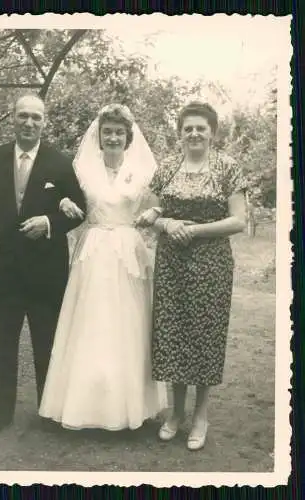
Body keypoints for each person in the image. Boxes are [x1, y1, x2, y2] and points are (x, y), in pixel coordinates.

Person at [39, 104, 167, 430]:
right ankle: (85, 404)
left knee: (127, 324)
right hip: (93, 251)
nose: (112, 137)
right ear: (99, 136)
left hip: (127, 250)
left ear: (128, 137)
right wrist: (60, 201)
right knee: (91, 323)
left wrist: (154, 213)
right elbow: (57, 191)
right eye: (107, 131)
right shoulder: (83, 169)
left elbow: (161, 202)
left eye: (118, 132)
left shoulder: (143, 172)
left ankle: (128, 406)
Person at [136, 101, 247, 450]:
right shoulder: (167, 167)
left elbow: (238, 220)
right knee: (173, 336)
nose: (194, 133)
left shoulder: (228, 167)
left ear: (212, 132)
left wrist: (195, 231)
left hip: (211, 264)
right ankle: (176, 413)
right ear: (180, 133)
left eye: (201, 127)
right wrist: (167, 222)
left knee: (204, 337)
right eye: (188, 128)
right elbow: (149, 212)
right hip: (172, 263)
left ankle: (201, 414)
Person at [0, 94, 86, 436]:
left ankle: (48, 410)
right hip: (6, 267)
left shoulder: (60, 162)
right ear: (13, 117)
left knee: (46, 343)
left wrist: (50, 222)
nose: (29, 123)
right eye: (23, 116)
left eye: (36, 118)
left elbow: (80, 209)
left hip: (46, 271)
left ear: (45, 122)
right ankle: (2, 412)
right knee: (4, 342)